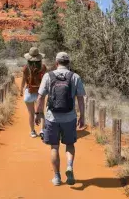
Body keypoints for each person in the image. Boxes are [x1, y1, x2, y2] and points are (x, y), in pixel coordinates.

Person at [35, 52, 85, 186]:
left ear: (56, 63)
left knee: (54, 147)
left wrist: (37, 113)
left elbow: (40, 97)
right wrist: (82, 117)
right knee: (69, 145)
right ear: (68, 63)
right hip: (69, 118)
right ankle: (69, 167)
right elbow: (80, 98)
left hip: (52, 118)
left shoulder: (48, 76)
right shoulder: (75, 77)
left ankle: (57, 177)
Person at [20, 47, 48, 138]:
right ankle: (42, 130)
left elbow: (23, 81)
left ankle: (32, 132)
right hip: (40, 92)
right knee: (41, 112)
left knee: (31, 113)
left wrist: (21, 90)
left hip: (29, 92)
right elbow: (46, 80)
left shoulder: (25, 68)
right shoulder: (43, 67)